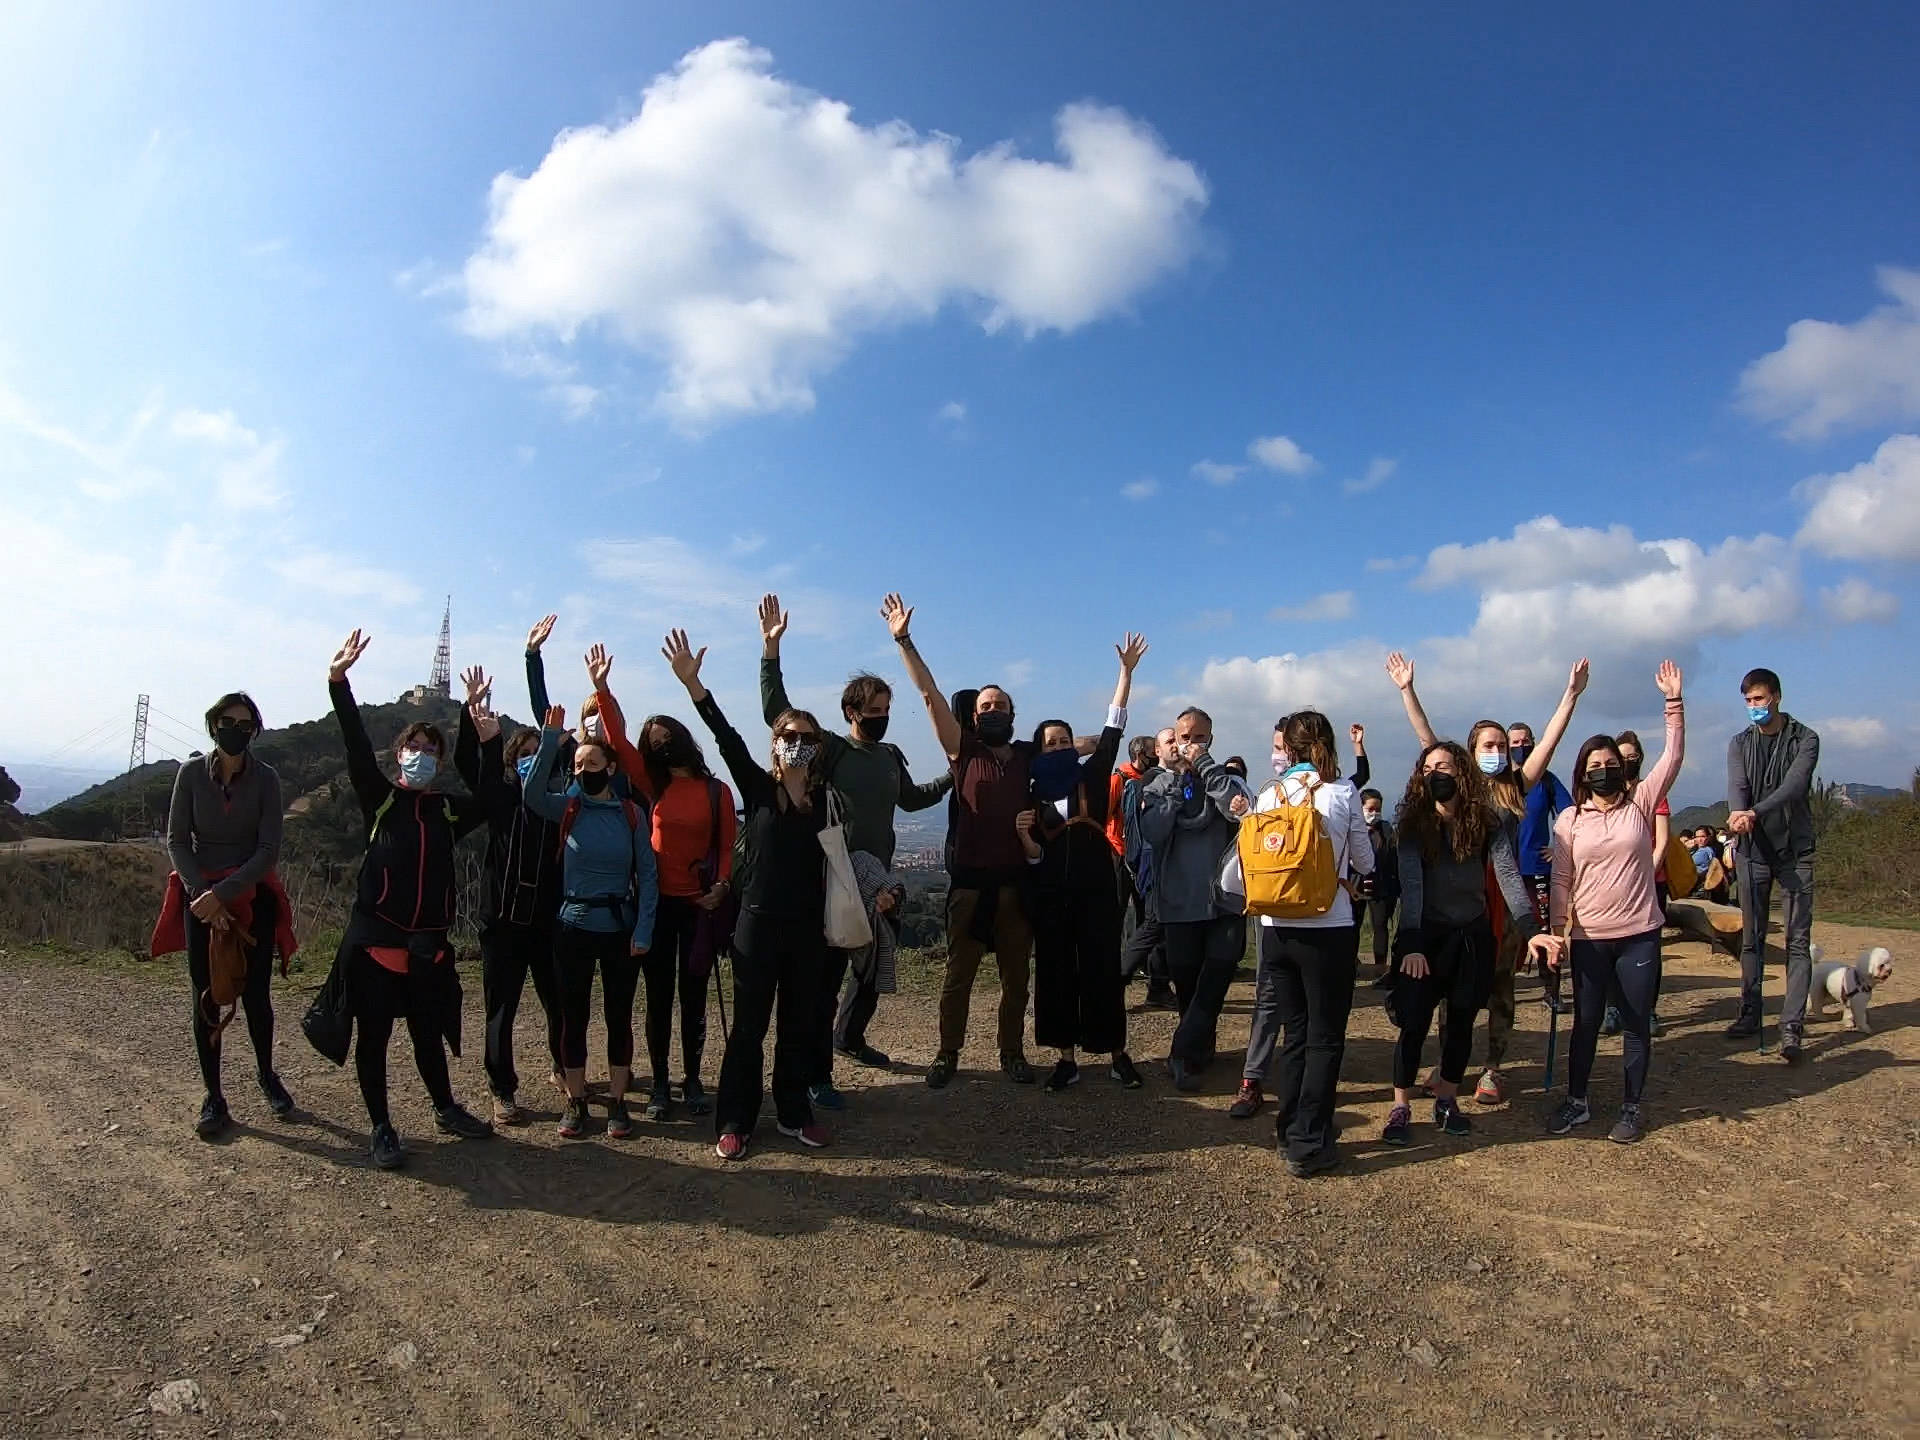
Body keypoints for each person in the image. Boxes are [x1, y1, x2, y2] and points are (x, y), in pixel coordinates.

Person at [757, 593, 953, 1105]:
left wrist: (951, 776)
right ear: (851, 712)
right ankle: (818, 1075)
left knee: (869, 971)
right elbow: (778, 713)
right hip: (836, 881)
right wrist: (770, 652)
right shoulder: (834, 750)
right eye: (874, 710)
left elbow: (911, 799)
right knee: (824, 984)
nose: (882, 717)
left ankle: (849, 1037)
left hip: (879, 881)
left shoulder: (889, 754)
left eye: (887, 710)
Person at [1385, 652, 1589, 1105]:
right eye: (1489, 745)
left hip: (1506, 896)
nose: (1498, 752)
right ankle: (1447, 1064)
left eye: (1503, 745)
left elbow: (1549, 743)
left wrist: (1570, 695)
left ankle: (1492, 1067)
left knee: (1499, 985)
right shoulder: (1462, 787)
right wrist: (1407, 690)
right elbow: (1427, 741)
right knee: (1448, 989)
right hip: (1465, 895)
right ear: (1470, 752)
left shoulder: (1516, 786)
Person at [324, 630, 494, 1170]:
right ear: (398, 754)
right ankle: (381, 1126)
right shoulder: (380, 799)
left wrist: (482, 732)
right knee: (373, 1038)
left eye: (430, 750)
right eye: (413, 748)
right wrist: (339, 683)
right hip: (376, 942)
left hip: (427, 946)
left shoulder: (446, 810)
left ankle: (445, 1108)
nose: (421, 755)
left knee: (427, 1033)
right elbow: (355, 746)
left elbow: (493, 797)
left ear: (440, 763)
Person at [663, 627, 833, 1159]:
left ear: (819, 747)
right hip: (756, 925)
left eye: (807, 737)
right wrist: (695, 686)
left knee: (798, 1026)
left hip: (807, 930)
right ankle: (735, 1118)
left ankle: (793, 1112)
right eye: (789, 735)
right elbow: (724, 735)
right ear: (776, 743)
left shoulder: (827, 801)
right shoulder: (758, 788)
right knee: (748, 1029)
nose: (797, 743)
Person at [884, 593, 1043, 1089]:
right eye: (985, 706)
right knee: (958, 979)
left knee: (1016, 980)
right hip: (970, 887)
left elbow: (1080, 746)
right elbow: (929, 694)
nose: (993, 710)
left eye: (1000, 705)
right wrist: (904, 641)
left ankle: (1011, 1053)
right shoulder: (963, 750)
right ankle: (947, 1052)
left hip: (1015, 888)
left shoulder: (1027, 754)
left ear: (1013, 713)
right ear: (974, 717)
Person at [574, 643, 733, 1123]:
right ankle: (661, 1081)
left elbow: (727, 847)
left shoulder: (717, 791)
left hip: (699, 906)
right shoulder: (653, 784)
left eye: (666, 736)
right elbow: (618, 742)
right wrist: (602, 689)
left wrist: (723, 885)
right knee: (660, 998)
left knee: (693, 997)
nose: (661, 743)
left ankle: (693, 1079)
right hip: (657, 905)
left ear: (683, 738)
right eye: (654, 739)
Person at [1541, 662, 1686, 1143]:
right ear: (1582, 773)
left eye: (1610, 764)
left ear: (1622, 770)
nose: (1603, 771)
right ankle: (1577, 1101)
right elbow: (1561, 879)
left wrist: (1673, 704)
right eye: (1594, 766)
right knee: (1584, 1023)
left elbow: (1672, 757)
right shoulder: (1570, 820)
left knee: (1635, 1023)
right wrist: (1557, 933)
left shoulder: (1640, 804)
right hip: (1588, 938)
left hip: (1639, 933)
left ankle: (1631, 1107)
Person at [1231, 711, 1375, 1178]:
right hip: (1326, 925)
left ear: (1287, 748)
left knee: (1294, 1033)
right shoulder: (1341, 791)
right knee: (1324, 1037)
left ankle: (1288, 1127)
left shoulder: (1269, 793)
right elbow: (1365, 862)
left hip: (1274, 927)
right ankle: (1309, 1141)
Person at [1382, 740, 1538, 1145]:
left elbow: (1508, 878)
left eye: (1444, 767)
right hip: (1425, 936)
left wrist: (1533, 930)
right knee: (1414, 1024)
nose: (1436, 774)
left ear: (1462, 773)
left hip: (1472, 935)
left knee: (1461, 1023)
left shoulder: (1486, 821)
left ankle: (1447, 1100)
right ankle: (1400, 1106)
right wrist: (1412, 944)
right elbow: (1412, 888)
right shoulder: (1412, 825)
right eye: (1428, 769)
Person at [159, 691, 296, 1138]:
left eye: (244, 725)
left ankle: (266, 1074)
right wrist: (203, 895)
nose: (234, 731)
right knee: (206, 996)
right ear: (213, 725)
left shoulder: (267, 779)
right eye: (227, 723)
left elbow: (268, 849)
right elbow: (178, 841)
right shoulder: (190, 774)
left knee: (257, 994)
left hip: (251, 894)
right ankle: (213, 1096)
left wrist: (223, 894)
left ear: (254, 731)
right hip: (200, 896)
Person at [520, 702, 660, 1140]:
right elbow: (531, 794)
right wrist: (550, 740)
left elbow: (648, 876)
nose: (584, 771)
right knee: (572, 1017)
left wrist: (644, 929)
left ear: (611, 768)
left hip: (619, 926)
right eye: (578, 765)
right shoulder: (568, 807)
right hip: (573, 926)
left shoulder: (631, 814)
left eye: (592, 764)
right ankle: (576, 1100)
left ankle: (618, 1102)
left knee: (619, 1016)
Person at [1018, 635, 1149, 1092]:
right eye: (1050, 743)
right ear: (1039, 752)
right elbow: (1034, 855)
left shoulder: (1092, 775)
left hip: (1096, 888)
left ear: (1075, 746)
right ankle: (1066, 1058)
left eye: (1064, 741)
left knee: (1102, 967)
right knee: (1055, 971)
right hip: (1052, 893)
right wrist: (1025, 836)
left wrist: (1125, 673)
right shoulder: (1031, 795)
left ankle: (1116, 1053)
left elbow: (1113, 726)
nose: (1058, 748)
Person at [451, 667, 566, 1126]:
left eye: (538, 754)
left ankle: (564, 1067)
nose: (531, 760)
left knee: (558, 1002)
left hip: (547, 920)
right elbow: (466, 762)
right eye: (523, 754)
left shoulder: (556, 802)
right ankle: (502, 1089)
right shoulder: (498, 797)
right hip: (501, 921)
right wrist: (470, 714)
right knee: (501, 1008)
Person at [1136, 706, 1252, 1091]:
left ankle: (1181, 1054)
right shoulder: (1155, 785)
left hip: (1224, 902)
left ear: (1210, 740)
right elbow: (1154, 832)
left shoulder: (1225, 780)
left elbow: (1237, 812)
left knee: (1217, 976)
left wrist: (1205, 767)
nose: (1189, 745)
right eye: (1184, 738)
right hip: (1180, 901)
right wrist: (1175, 783)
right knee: (1187, 985)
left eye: (1199, 738)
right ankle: (1198, 1048)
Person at [1724, 668, 1821, 1059]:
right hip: (1753, 852)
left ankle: (1792, 1025)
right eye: (1748, 701)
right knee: (1752, 937)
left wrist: (1754, 812)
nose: (1754, 707)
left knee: (1797, 939)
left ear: (1776, 697)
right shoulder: (1739, 743)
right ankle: (1750, 1011)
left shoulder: (1805, 739)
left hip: (1795, 852)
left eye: (1759, 699)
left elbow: (1794, 786)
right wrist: (1738, 813)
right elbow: (1737, 785)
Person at [1601, 729, 1669, 1039]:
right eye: (1622, 757)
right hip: (1614, 884)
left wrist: (1645, 875)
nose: (1628, 762)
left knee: (1649, 949)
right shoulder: (1607, 797)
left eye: (1633, 757)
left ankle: (1648, 1009)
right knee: (1610, 947)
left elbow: (1662, 840)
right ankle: (1613, 1007)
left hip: (1651, 883)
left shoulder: (1654, 792)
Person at [1357, 789, 1399, 981]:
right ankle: (1350, 964)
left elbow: (1393, 857)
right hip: (1355, 886)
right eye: (1370, 809)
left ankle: (1380, 967)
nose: (1375, 813)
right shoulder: (1353, 827)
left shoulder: (1386, 830)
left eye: (1378, 809)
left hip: (1380, 886)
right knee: (1352, 926)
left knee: (1380, 926)